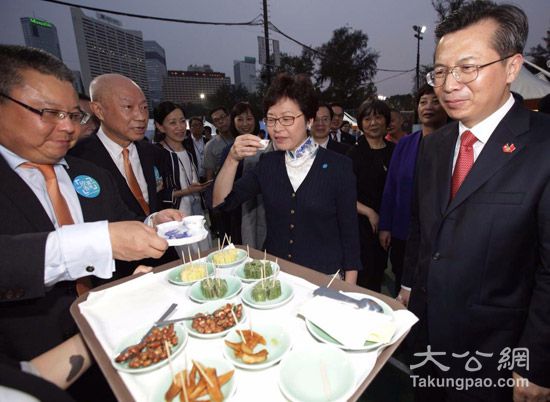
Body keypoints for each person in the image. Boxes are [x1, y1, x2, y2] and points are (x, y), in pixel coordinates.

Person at [0, 44, 180, 399]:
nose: (66, 127)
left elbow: (120, 225)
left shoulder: (89, 173)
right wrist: (99, 241)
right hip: (30, 370)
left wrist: (151, 222)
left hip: (116, 342)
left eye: (73, 115)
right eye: (49, 112)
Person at [397, 2, 550, 401]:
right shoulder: (435, 145)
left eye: (468, 67)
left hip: (499, 355)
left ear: (512, 68)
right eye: (441, 71)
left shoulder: (544, 145)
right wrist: (410, 286)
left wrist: (536, 364)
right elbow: (422, 227)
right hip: (429, 341)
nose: (449, 85)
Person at [213, 73, 360, 283]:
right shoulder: (267, 164)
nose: (277, 128)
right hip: (276, 277)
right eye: (271, 119)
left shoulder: (339, 166)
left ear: (309, 120)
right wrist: (232, 159)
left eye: (287, 119)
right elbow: (221, 203)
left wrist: (349, 288)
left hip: (324, 278)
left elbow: (349, 232)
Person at [70, 73, 178, 279]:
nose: (140, 116)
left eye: (144, 107)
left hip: (163, 258)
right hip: (114, 270)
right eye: (128, 107)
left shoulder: (153, 153)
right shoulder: (77, 160)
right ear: (98, 110)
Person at [378, 85, 448, 296]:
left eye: (435, 101)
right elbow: (391, 187)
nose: (428, 107)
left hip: (440, 236)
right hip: (403, 231)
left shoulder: (455, 143)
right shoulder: (405, 144)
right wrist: (385, 226)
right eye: (423, 102)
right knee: (402, 283)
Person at [348, 99, 395, 292]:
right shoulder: (353, 154)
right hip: (360, 227)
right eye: (367, 118)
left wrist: (388, 223)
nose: (373, 122)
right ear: (360, 123)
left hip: (389, 224)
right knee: (363, 276)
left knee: (379, 271)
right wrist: (368, 212)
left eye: (378, 117)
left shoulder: (396, 151)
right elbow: (343, 195)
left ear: (386, 121)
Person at [153, 102, 211, 254]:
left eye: (181, 121)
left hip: (196, 211)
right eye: (172, 123)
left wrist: (198, 187)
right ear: (160, 126)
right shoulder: (157, 153)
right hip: (175, 219)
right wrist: (185, 191)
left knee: (203, 250)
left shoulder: (188, 149)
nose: (179, 127)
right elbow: (157, 193)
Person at [183, 116, 209, 183]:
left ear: (203, 127)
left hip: (207, 177)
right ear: (190, 128)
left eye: (200, 125)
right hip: (192, 179)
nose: (198, 127)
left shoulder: (208, 142)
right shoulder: (184, 143)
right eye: (194, 125)